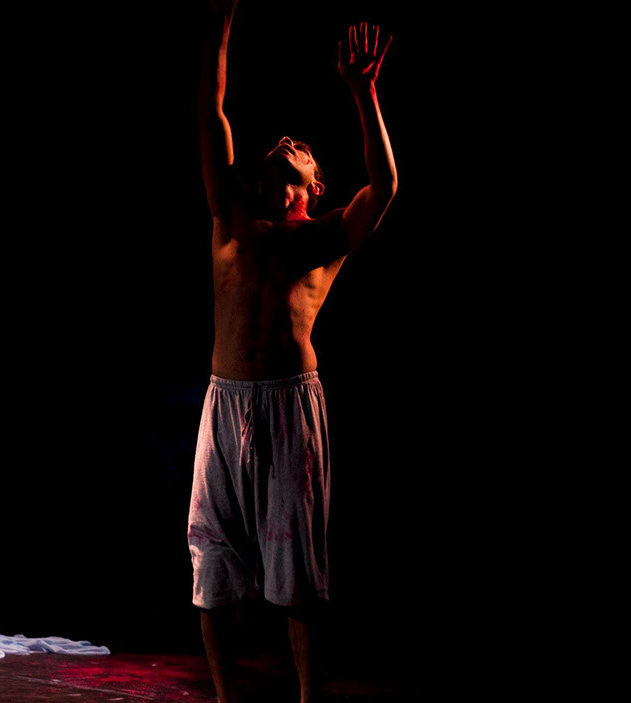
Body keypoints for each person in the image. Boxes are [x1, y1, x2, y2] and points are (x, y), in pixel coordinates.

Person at [188, 2, 397, 702]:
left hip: (288, 405)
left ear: (316, 184)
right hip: (225, 402)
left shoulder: (323, 239)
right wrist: (220, 26)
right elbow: (211, 110)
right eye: (281, 143)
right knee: (212, 558)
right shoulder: (231, 217)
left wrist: (363, 93)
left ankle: (309, 697)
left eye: (302, 148)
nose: (286, 141)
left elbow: (385, 187)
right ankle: (227, 698)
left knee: (296, 564)